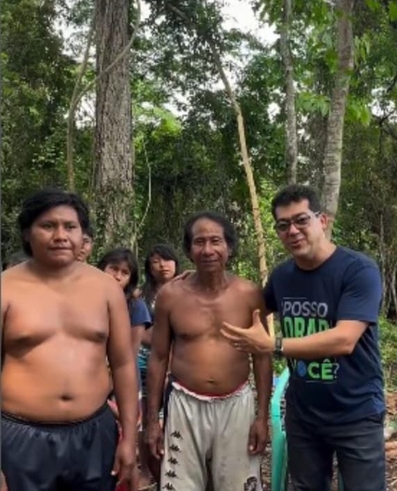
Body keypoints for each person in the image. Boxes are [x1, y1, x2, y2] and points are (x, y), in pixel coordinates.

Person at [219, 184, 387, 491]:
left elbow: (344, 339)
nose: (292, 231)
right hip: (304, 415)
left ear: (322, 221)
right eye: (283, 225)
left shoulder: (358, 270)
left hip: (357, 413)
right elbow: (245, 306)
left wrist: (275, 345)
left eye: (301, 220)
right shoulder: (283, 277)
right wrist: (200, 282)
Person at [1, 188, 138, 491]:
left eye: (70, 227)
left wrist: (129, 437)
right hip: (20, 438)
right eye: (48, 226)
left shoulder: (106, 289)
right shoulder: (5, 289)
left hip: (94, 433)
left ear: (82, 234)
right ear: (27, 234)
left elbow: (124, 365)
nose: (60, 235)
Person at [144, 211, 271, 490]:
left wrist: (262, 417)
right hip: (184, 406)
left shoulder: (249, 294)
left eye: (216, 241)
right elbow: (158, 357)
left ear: (229, 247)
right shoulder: (171, 296)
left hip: (237, 404)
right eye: (199, 242)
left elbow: (262, 355)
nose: (208, 250)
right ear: (189, 250)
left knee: (239, 485)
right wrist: (152, 421)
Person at [137, 243, 181, 485]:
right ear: (148, 268)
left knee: (172, 416)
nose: (162, 265)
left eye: (166, 259)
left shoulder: (187, 289)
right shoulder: (141, 295)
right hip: (144, 360)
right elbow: (138, 334)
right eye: (155, 261)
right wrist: (163, 333)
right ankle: (145, 469)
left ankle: (171, 468)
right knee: (146, 417)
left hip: (177, 361)